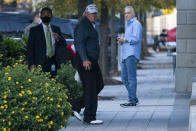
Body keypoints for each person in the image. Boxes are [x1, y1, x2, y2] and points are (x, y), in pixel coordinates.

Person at [71, 4, 104, 125]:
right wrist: (85, 59)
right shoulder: (82, 26)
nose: (94, 15)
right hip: (86, 60)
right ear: (86, 13)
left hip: (92, 60)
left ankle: (75, 105)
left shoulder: (89, 24)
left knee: (99, 85)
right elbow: (79, 44)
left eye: (95, 13)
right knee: (91, 89)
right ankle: (89, 117)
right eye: (91, 13)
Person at [27, 7, 71, 76]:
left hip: (53, 62)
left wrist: (58, 38)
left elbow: (63, 44)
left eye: (48, 14)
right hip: (39, 63)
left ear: (52, 16)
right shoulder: (34, 30)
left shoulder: (56, 29)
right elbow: (30, 48)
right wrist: (31, 64)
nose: (46, 16)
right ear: (40, 16)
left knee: (53, 82)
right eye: (43, 14)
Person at [117, 6, 142, 107]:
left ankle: (132, 100)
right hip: (125, 55)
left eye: (128, 13)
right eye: (125, 13)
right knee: (124, 78)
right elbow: (128, 40)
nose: (126, 15)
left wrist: (125, 39)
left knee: (131, 78)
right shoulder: (129, 25)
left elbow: (136, 38)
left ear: (133, 13)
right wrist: (121, 42)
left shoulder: (136, 24)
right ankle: (134, 98)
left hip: (131, 55)